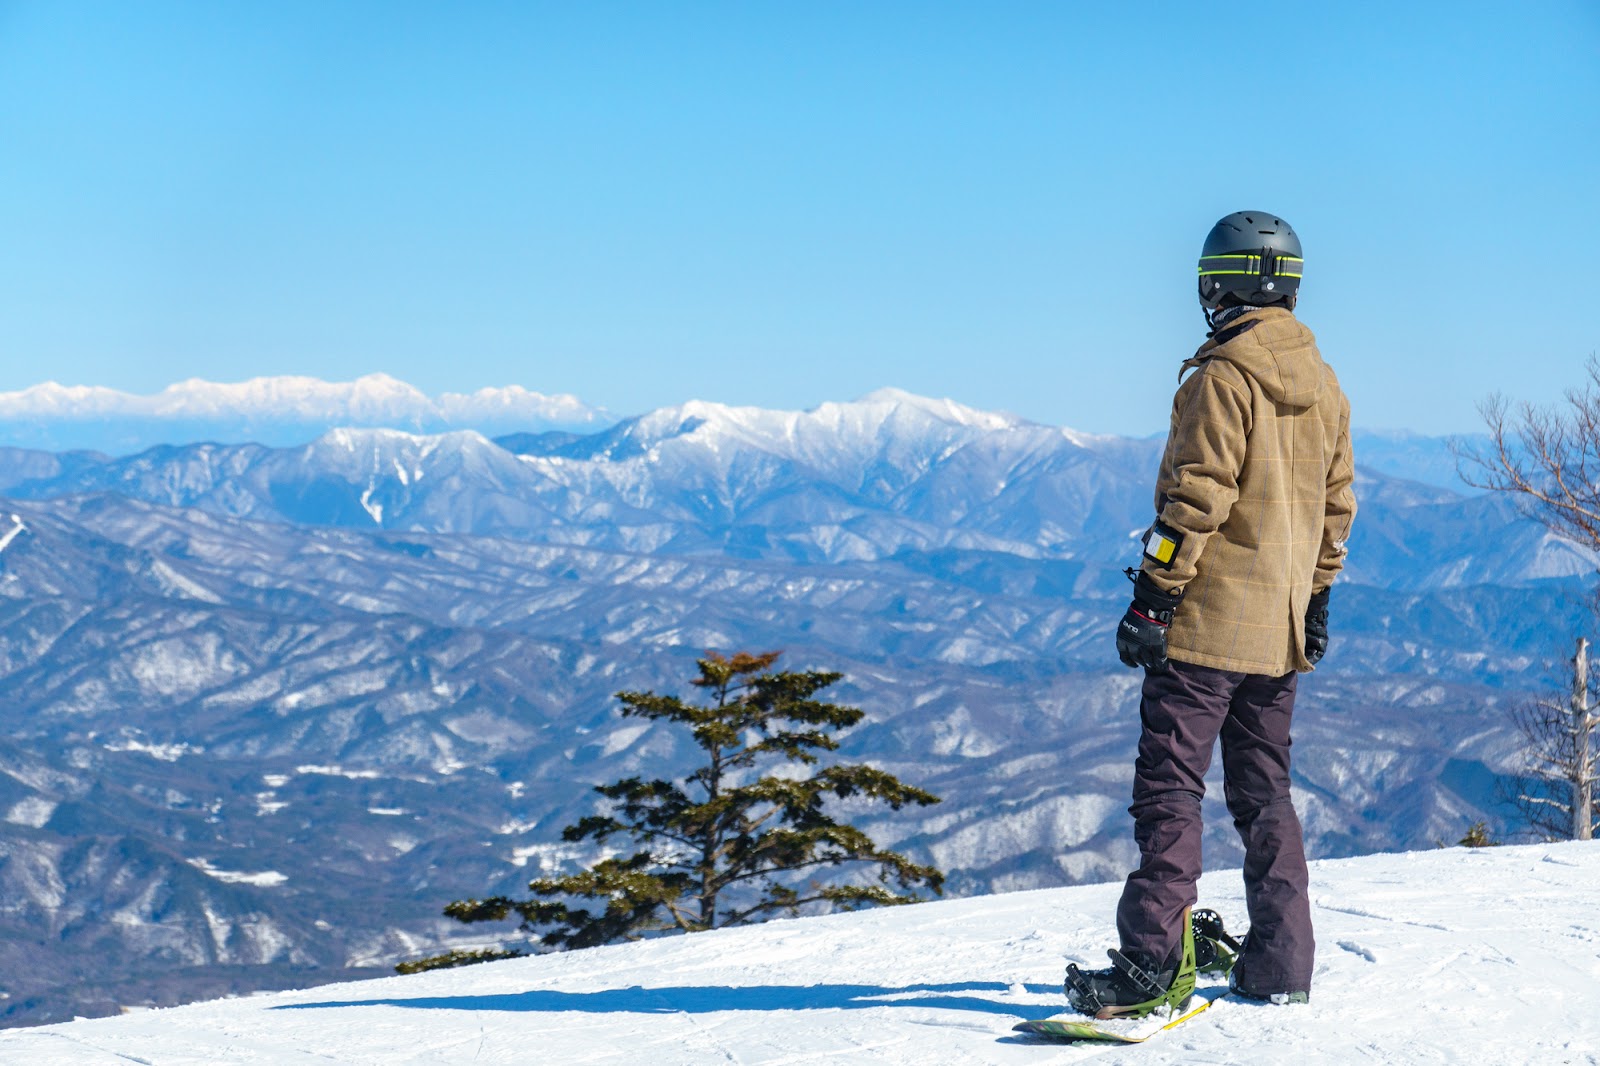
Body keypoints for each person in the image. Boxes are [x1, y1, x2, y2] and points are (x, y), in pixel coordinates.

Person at [1066, 210, 1356, 1018]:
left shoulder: (1222, 378)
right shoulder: (1324, 384)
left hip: (1206, 627)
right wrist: (1318, 595)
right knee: (1266, 795)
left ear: (1220, 282)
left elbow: (1193, 500)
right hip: (1280, 631)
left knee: (1170, 788)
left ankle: (1152, 965)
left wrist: (1154, 599)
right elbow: (1338, 509)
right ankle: (1281, 960)